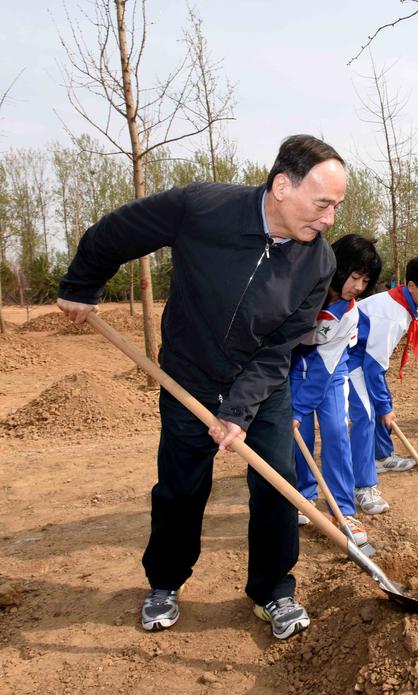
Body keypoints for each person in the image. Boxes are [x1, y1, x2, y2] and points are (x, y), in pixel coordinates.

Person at [56, 134, 345, 640]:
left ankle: (273, 590)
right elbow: (116, 232)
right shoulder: (202, 208)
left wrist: (238, 411)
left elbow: (281, 348)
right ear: (282, 186)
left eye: (337, 207)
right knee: (181, 487)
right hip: (187, 375)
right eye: (323, 204)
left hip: (260, 384)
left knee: (277, 481)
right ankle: (166, 582)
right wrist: (81, 286)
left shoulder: (318, 262)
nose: (329, 219)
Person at [290, 234, 382, 547]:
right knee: (297, 436)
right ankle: (301, 498)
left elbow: (324, 368)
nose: (358, 287)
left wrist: (300, 409)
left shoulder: (349, 313)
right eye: (355, 276)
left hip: (329, 373)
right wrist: (294, 409)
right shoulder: (302, 289)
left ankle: (342, 510)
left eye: (365, 281)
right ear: (337, 267)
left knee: (336, 432)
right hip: (290, 369)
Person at [347, 254, 418, 514]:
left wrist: (384, 403)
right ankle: (363, 486)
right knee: (368, 414)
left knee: (381, 402)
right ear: (411, 286)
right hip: (348, 359)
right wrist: (383, 406)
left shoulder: (403, 303)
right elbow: (372, 366)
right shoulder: (391, 314)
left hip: (364, 358)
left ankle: (381, 456)